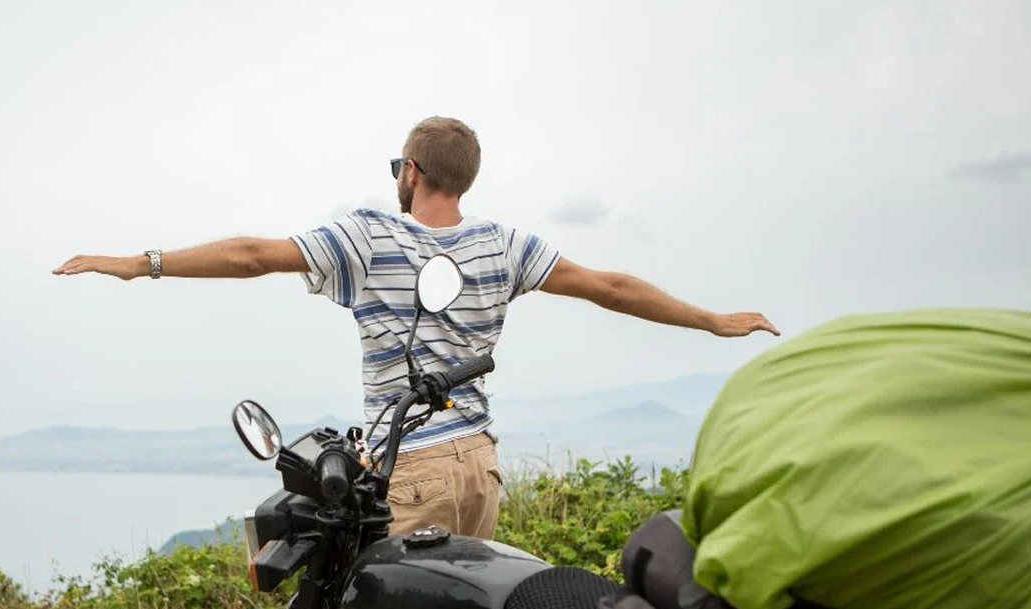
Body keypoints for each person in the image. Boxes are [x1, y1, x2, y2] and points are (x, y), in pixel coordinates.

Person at [54, 116, 779, 540]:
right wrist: (714, 322)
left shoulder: (370, 236)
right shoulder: (506, 245)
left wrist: (139, 262)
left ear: (415, 171)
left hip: (414, 471)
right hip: (481, 466)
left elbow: (251, 256)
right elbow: (612, 289)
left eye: (399, 163)